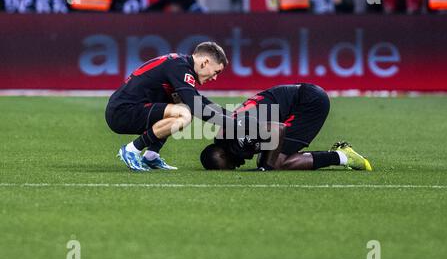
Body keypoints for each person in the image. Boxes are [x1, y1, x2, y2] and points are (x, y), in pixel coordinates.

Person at [106, 41, 243, 171]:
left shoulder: (180, 65)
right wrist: (233, 123)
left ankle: (151, 156)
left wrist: (233, 116)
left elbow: (199, 101)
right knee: (184, 113)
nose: (214, 78)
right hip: (122, 112)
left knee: (181, 103)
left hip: (130, 108)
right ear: (205, 62)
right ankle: (131, 150)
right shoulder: (179, 67)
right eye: (216, 72)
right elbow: (197, 107)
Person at [200, 83, 372, 171]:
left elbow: (278, 129)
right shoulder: (227, 137)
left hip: (308, 103)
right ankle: (341, 155)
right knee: (269, 157)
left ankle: (342, 156)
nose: (234, 167)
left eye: (228, 166)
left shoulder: (237, 135)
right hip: (301, 97)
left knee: (276, 163)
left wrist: (265, 168)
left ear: (222, 154)